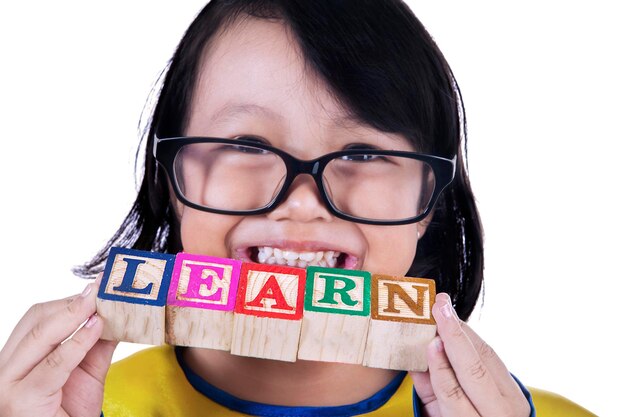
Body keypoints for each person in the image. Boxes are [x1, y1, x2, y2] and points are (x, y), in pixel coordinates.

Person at [0, 1, 595, 416]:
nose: (303, 203)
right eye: (246, 146)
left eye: (363, 152)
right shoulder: (52, 407)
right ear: (170, 180)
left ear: (428, 202)